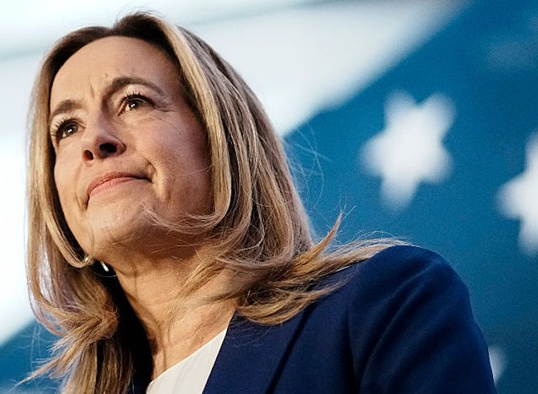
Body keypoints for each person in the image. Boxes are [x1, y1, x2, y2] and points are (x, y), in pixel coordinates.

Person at [25, 12, 495, 394]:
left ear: (221, 138)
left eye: (134, 102)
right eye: (66, 129)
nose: (95, 141)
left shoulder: (381, 305)